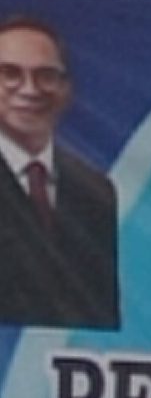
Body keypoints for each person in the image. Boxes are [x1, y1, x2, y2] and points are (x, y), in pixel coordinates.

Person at [0, 16, 120, 330]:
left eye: (46, 76)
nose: (30, 89)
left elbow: (101, 310)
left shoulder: (96, 190)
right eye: (10, 73)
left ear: (66, 89)